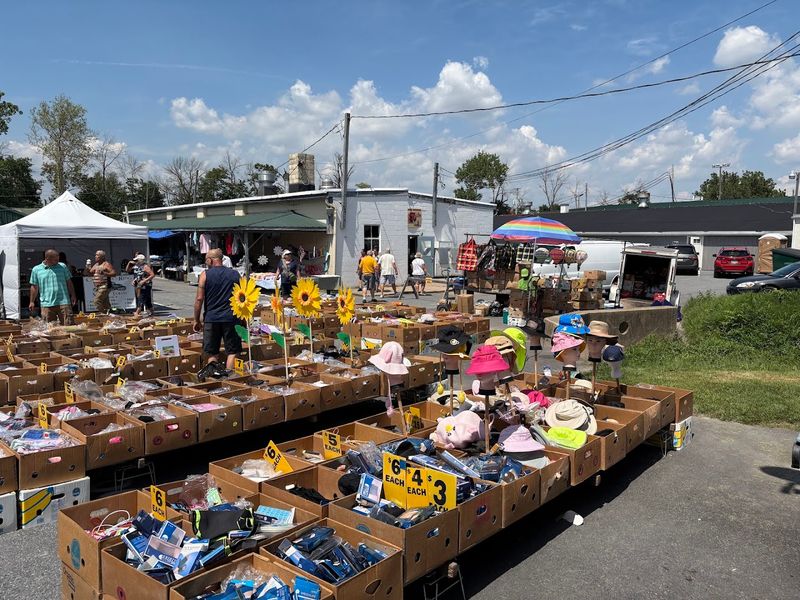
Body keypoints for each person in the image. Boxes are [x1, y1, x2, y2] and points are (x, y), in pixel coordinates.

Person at [193, 248, 242, 376]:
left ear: (210, 260)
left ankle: (214, 379)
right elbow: (243, 296)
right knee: (232, 351)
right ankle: (230, 378)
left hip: (211, 318)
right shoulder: (235, 274)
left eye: (206, 260)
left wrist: (196, 320)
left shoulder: (205, 275)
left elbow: (199, 299)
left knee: (212, 351)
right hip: (231, 318)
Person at [29, 249, 77, 324]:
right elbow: (34, 287)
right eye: (55, 260)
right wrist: (32, 301)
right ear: (47, 259)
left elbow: (69, 282)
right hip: (46, 304)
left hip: (63, 302)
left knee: (68, 325)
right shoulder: (36, 270)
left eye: (58, 259)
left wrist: (73, 295)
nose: (58, 261)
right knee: (49, 329)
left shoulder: (62, 266)